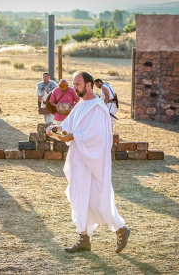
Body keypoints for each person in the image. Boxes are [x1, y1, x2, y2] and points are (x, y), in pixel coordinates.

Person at [46, 71, 129, 254]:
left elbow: (98, 137)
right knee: (78, 197)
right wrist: (54, 129)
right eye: (74, 84)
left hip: (92, 162)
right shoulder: (80, 106)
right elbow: (67, 126)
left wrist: (73, 135)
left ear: (88, 85)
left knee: (98, 199)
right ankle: (84, 238)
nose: (73, 88)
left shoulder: (98, 107)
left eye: (77, 84)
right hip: (78, 160)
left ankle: (121, 229)